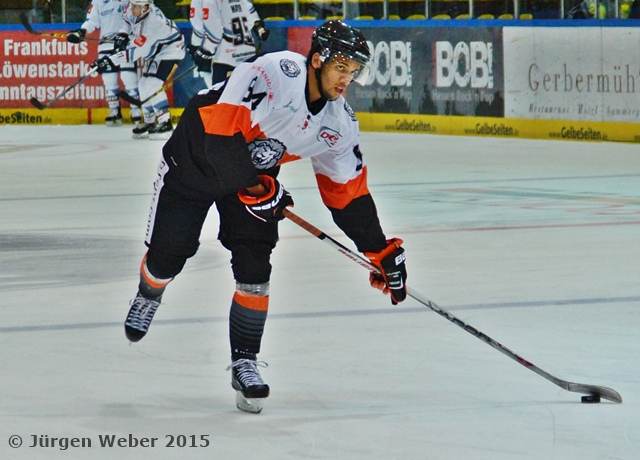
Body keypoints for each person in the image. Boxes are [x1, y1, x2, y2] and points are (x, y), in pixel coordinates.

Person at [122, 21, 408, 414]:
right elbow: (220, 137)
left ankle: (245, 362)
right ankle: (149, 292)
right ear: (318, 59)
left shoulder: (338, 124)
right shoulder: (277, 73)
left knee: (255, 266)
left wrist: (380, 250)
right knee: (168, 256)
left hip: (251, 175)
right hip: (196, 159)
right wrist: (259, 189)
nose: (347, 78)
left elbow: (348, 194)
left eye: (354, 70)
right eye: (341, 67)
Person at [94, 0, 185, 140]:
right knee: (143, 84)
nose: (132, 8)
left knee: (153, 84)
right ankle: (149, 122)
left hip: (171, 51)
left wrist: (108, 60)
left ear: (146, 8)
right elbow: (127, 21)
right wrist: (123, 34)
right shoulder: (133, 10)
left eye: (136, 6)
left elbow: (134, 53)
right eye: (132, 5)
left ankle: (165, 123)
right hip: (156, 50)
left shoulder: (153, 23)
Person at [67, 0, 141, 126]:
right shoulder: (98, 1)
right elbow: (92, 21)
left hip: (127, 42)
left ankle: (135, 109)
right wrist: (81, 32)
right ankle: (114, 110)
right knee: (109, 78)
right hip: (106, 43)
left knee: (128, 76)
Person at [189, 0, 270, 88]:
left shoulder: (209, 1)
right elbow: (254, 19)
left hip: (226, 58)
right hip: (248, 54)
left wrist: (205, 51)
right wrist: (260, 28)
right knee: (248, 94)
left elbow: (213, 34)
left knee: (220, 94)